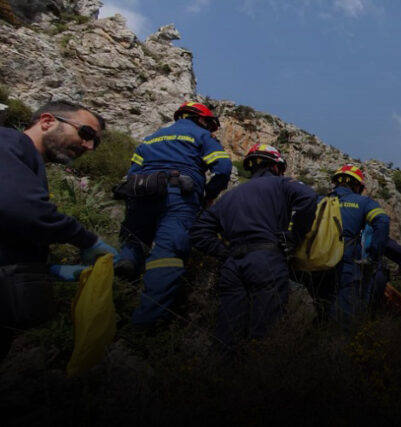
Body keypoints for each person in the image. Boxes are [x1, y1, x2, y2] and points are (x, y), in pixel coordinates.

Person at [0, 100, 118, 359]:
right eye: (86, 134)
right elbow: (20, 208)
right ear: (47, 121)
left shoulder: (27, 163)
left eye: (95, 143)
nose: (88, 146)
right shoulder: (8, 143)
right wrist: (86, 240)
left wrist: (45, 270)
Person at [114, 101, 232, 330]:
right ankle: (146, 325)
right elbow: (223, 167)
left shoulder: (152, 137)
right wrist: (209, 193)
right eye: (209, 124)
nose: (209, 128)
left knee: (133, 241)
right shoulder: (202, 136)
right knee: (169, 252)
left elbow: (132, 171)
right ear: (201, 119)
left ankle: (120, 287)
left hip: (140, 192)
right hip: (178, 196)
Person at [189, 144, 317, 356]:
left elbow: (199, 231)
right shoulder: (282, 184)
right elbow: (309, 197)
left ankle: (220, 377)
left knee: (227, 333)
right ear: (276, 167)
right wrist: (295, 237)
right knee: (265, 332)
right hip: (267, 260)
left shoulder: (229, 196)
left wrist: (224, 252)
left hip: (232, 266)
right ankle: (257, 379)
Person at [305, 164, 389, 325]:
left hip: (317, 264)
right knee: (344, 316)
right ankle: (338, 345)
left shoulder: (319, 200)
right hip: (346, 265)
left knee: (322, 310)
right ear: (357, 185)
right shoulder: (363, 202)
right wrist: (374, 255)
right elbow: (383, 221)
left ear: (335, 182)